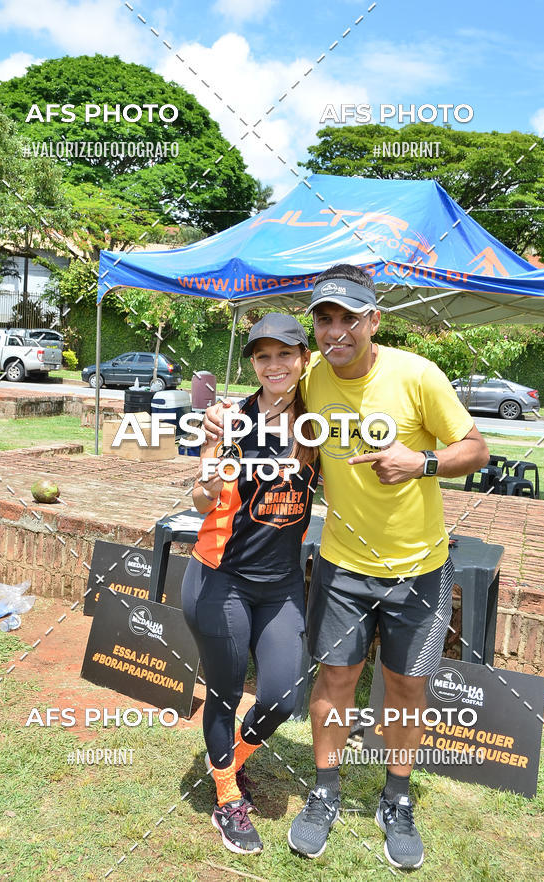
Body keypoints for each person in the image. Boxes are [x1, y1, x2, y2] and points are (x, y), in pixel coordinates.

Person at [203, 264, 489, 869]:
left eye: (349, 318)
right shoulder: (312, 386)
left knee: (407, 687)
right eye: (325, 319)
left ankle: (397, 797)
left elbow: (477, 449)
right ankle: (325, 792)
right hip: (340, 566)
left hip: (420, 568)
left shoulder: (417, 375)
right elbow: (263, 400)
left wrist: (424, 463)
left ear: (374, 320)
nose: (337, 332)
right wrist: (218, 419)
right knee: (333, 684)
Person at [182, 313, 320, 856]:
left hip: (282, 582)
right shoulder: (226, 421)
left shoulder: (318, 424)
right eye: (263, 356)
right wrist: (209, 483)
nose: (274, 364)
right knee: (224, 691)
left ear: (302, 359)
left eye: (285, 353)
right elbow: (201, 500)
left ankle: (229, 760)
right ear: (254, 365)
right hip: (222, 578)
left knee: (284, 695)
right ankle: (226, 797)